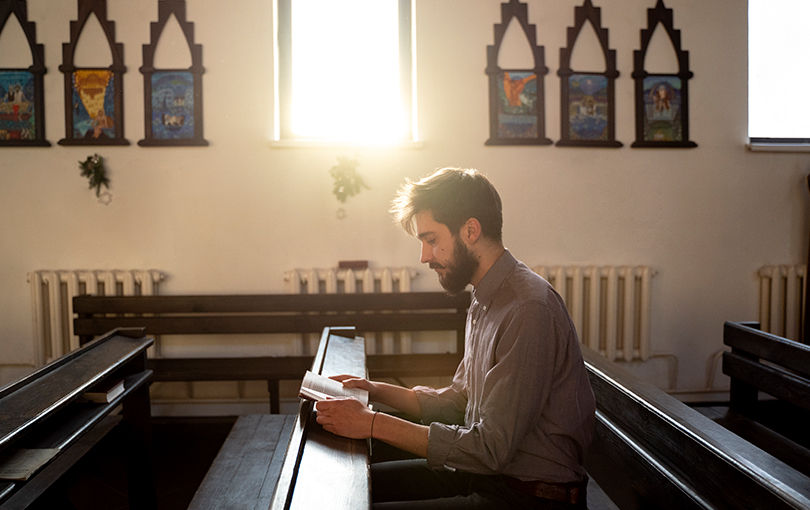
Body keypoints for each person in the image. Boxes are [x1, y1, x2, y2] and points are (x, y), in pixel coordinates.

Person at [315, 167, 596, 509]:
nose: (424, 256)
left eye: (431, 240)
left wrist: (372, 423)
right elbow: (461, 402)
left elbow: (491, 449)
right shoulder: (484, 296)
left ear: (471, 230)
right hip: (485, 474)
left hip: (529, 496)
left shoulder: (527, 307)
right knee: (348, 492)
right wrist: (375, 391)